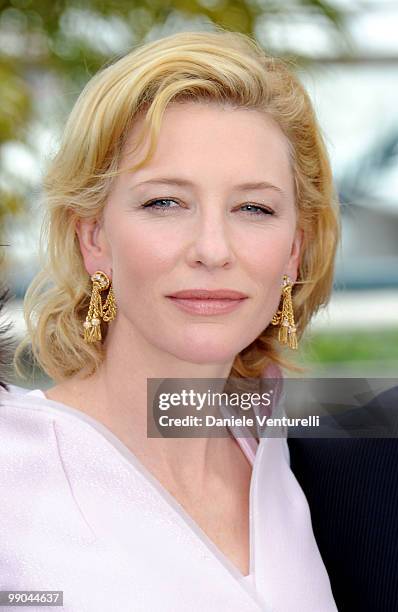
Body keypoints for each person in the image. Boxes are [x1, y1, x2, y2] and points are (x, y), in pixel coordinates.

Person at [1, 29, 340, 611]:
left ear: (294, 250)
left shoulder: (305, 467)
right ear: (93, 239)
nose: (212, 249)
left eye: (253, 208)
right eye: (164, 202)